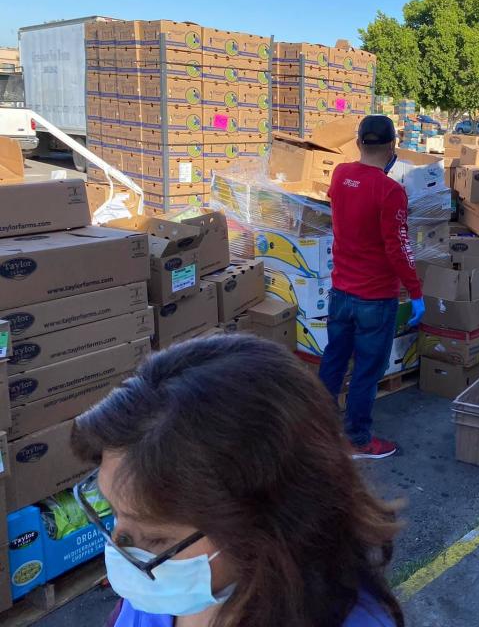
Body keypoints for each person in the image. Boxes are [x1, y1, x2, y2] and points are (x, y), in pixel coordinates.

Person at [72, 334, 404, 627]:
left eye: (156, 539)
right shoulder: (162, 591)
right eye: (113, 513)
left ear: (272, 523)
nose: (118, 549)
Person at [319, 115, 425, 459]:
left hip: (341, 293)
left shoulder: (340, 174)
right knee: (367, 370)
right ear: (392, 146)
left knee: (333, 361)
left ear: (359, 142)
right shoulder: (390, 191)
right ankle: (358, 439)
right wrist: (417, 292)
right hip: (375, 298)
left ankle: (316, 430)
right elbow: (398, 248)